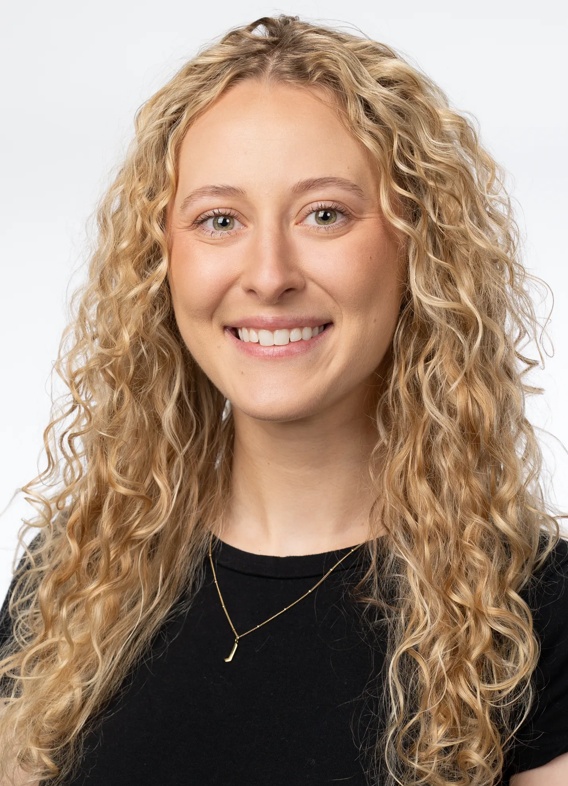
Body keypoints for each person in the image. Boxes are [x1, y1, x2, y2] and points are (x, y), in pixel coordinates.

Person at [1, 14, 567, 786]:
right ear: (161, 259)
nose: (269, 275)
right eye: (219, 220)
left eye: (324, 214)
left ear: (419, 249)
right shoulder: (71, 581)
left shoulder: (533, 613)